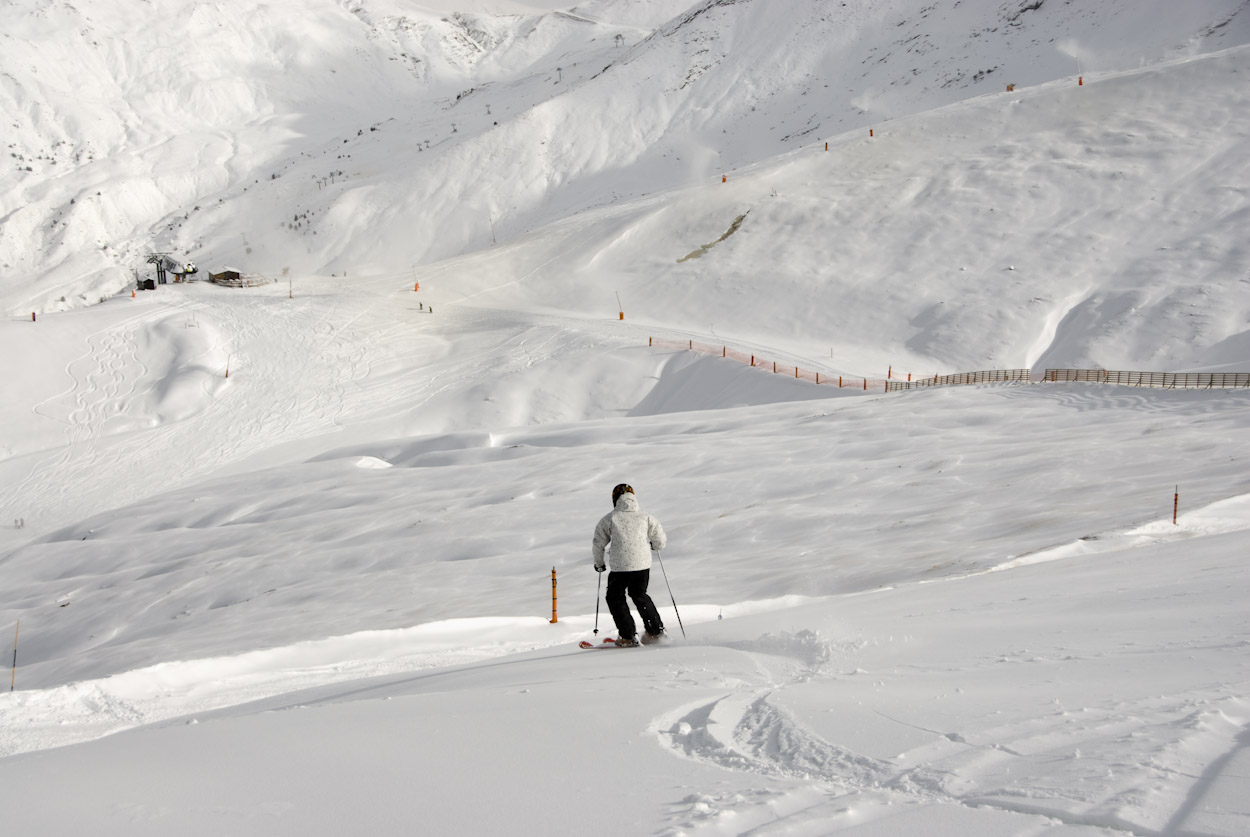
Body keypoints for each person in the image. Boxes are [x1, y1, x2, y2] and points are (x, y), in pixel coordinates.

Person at [592, 484, 667, 646]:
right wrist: (655, 546)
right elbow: (660, 540)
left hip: (621, 567)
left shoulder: (610, 518)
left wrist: (599, 564)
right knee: (639, 594)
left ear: (615, 499)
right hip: (642, 565)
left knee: (615, 597)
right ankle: (655, 631)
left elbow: (598, 543)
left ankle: (627, 636)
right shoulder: (645, 516)